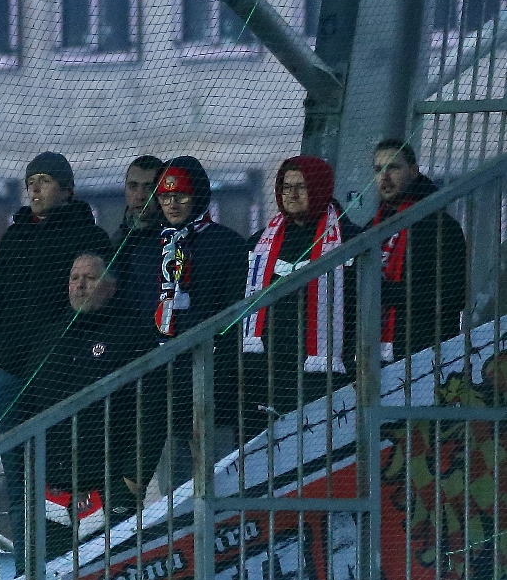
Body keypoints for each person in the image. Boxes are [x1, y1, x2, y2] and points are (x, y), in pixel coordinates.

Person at [5, 252, 160, 532]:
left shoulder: (133, 335)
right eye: (74, 278)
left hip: (109, 489)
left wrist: (132, 480)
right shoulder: (49, 337)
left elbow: (151, 412)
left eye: (90, 278)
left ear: (111, 287)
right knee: (51, 573)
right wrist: (28, 473)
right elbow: (25, 409)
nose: (80, 285)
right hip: (50, 491)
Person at [145, 155, 250, 498]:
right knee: (174, 488)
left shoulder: (228, 245)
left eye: (182, 196)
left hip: (210, 379)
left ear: (199, 197)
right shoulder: (148, 248)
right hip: (160, 383)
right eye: (165, 196)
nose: (172, 204)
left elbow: (233, 317)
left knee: (219, 478)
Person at [0, 153, 110, 435]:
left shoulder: (89, 236)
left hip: (62, 366)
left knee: (59, 451)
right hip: (11, 367)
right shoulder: (14, 237)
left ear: (67, 189)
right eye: (31, 182)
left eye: (45, 181)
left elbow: (97, 300)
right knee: (15, 455)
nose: (36, 189)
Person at [241, 154, 359, 416]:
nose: (291, 194)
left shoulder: (352, 240)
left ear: (319, 187)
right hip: (266, 372)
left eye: (301, 186)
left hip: (324, 374)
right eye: (286, 187)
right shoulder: (258, 244)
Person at [370, 139, 469, 361]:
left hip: (425, 356)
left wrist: (383, 292)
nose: (385, 177)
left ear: (413, 171)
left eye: (393, 167)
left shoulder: (441, 227)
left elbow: (453, 295)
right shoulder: (371, 228)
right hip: (373, 355)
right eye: (378, 170)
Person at [110, 154, 168, 319]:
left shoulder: (176, 241)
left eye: (149, 187)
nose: (140, 195)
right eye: (133, 186)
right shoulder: (117, 242)